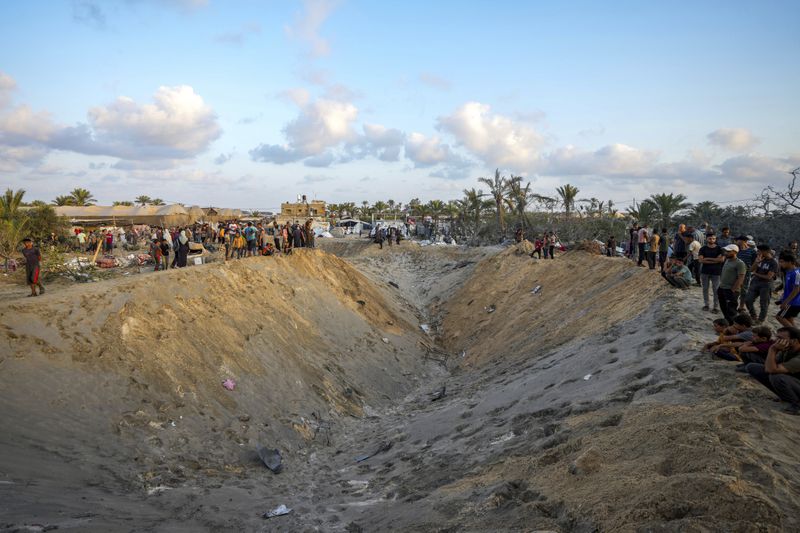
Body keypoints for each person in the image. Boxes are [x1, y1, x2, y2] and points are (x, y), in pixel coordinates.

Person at [745, 326, 800, 415]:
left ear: (794, 341)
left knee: (776, 376)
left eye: (780, 338)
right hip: (793, 381)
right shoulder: (786, 349)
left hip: (795, 382)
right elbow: (768, 367)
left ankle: (797, 405)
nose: (776, 341)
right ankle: (785, 397)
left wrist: (772, 349)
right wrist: (774, 350)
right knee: (752, 367)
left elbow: (772, 369)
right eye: (777, 337)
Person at [745, 244, 778, 324]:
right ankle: (753, 316)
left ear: (766, 251)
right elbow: (751, 270)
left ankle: (760, 320)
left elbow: (768, 277)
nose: (757, 252)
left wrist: (756, 274)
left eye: (759, 251)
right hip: (755, 282)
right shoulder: (759, 259)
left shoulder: (773, 262)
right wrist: (756, 262)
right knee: (748, 300)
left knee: (764, 303)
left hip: (766, 285)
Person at [718, 244, 747, 324]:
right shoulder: (727, 260)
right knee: (723, 307)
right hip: (722, 287)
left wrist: (733, 290)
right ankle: (727, 323)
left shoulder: (740, 263)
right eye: (726, 251)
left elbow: (741, 277)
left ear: (734, 252)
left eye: (728, 251)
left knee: (731, 310)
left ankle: (732, 325)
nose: (726, 253)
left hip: (731, 289)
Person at [698, 234, 724, 311]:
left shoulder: (719, 249)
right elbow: (700, 260)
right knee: (705, 289)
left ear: (715, 239)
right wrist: (715, 260)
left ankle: (716, 307)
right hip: (705, 272)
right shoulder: (703, 249)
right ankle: (706, 305)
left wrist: (707, 259)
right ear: (706, 239)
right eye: (710, 238)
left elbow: (721, 260)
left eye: (713, 238)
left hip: (716, 272)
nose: (712, 240)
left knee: (716, 290)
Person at [776, 252, 800, 327]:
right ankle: (796, 335)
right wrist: (783, 297)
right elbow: (788, 288)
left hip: (793, 302)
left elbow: (796, 289)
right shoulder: (788, 272)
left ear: (789, 262)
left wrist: (786, 302)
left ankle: (794, 334)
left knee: (779, 317)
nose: (780, 264)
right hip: (791, 301)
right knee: (789, 319)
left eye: (782, 262)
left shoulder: (796, 273)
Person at [735, 235, 757, 312]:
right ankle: (734, 304)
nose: (736, 242)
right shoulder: (736, 250)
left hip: (746, 274)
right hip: (735, 273)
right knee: (735, 289)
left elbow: (755, 262)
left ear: (743, 241)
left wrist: (752, 271)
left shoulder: (752, 251)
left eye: (738, 240)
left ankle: (741, 307)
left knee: (744, 290)